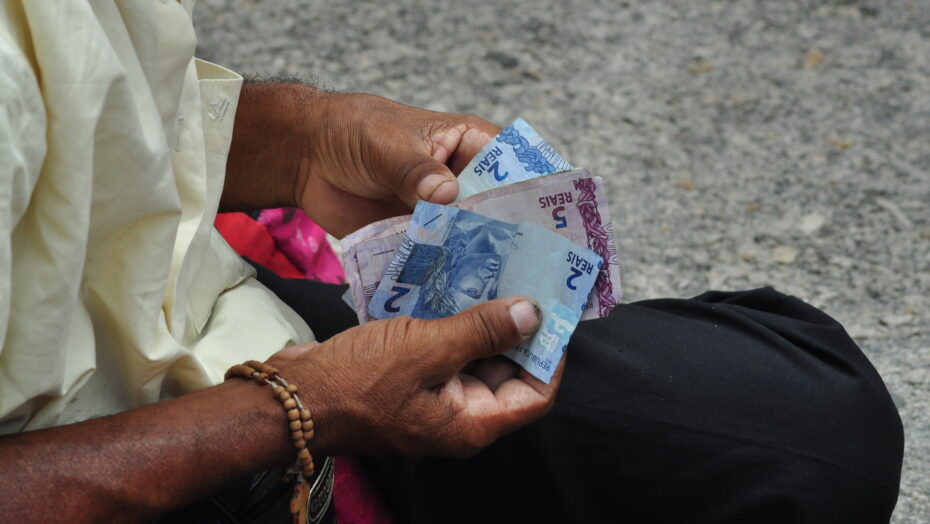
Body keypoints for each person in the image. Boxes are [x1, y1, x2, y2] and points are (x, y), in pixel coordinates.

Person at [0, 2, 904, 523]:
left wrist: (304, 141)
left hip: (210, 335)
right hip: (122, 469)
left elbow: (86, 112)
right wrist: (294, 412)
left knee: (810, 431)